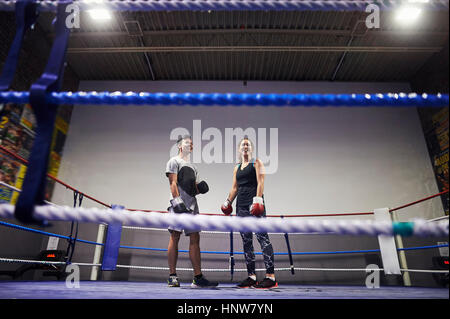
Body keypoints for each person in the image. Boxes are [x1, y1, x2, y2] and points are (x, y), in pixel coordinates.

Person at [221, 137, 277, 289]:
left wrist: (258, 200)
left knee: (262, 238)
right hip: (241, 207)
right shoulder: (237, 167)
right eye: (243, 144)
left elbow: (261, 182)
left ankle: (270, 277)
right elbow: (234, 188)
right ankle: (252, 276)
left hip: (255, 205)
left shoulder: (256, 162)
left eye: (248, 144)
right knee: (246, 242)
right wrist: (228, 202)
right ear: (240, 149)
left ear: (251, 148)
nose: (245, 146)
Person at [165, 135, 218, 288]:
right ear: (180, 146)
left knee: (195, 238)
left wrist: (201, 189)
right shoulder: (173, 161)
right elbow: (172, 183)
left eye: (192, 143)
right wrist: (177, 202)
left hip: (192, 206)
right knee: (175, 236)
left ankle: (198, 278)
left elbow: (194, 189)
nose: (191, 144)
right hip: (178, 205)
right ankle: (172, 276)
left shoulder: (194, 167)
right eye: (187, 142)